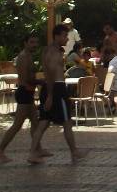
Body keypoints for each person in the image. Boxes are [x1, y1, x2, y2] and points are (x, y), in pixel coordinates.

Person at [28, 25, 84, 164]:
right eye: (65, 36)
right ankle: (74, 151)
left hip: (52, 88)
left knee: (44, 122)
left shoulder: (49, 50)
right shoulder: (53, 52)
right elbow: (51, 74)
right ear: (57, 36)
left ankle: (33, 153)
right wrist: (51, 96)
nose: (67, 39)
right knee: (66, 122)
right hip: (56, 89)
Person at [0, 36, 50, 163]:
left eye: (36, 42)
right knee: (17, 125)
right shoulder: (23, 57)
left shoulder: (29, 56)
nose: (35, 45)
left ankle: (38, 149)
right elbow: (26, 79)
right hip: (24, 93)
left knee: (35, 122)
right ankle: (0, 151)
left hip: (28, 93)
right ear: (25, 43)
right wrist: (41, 81)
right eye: (32, 42)